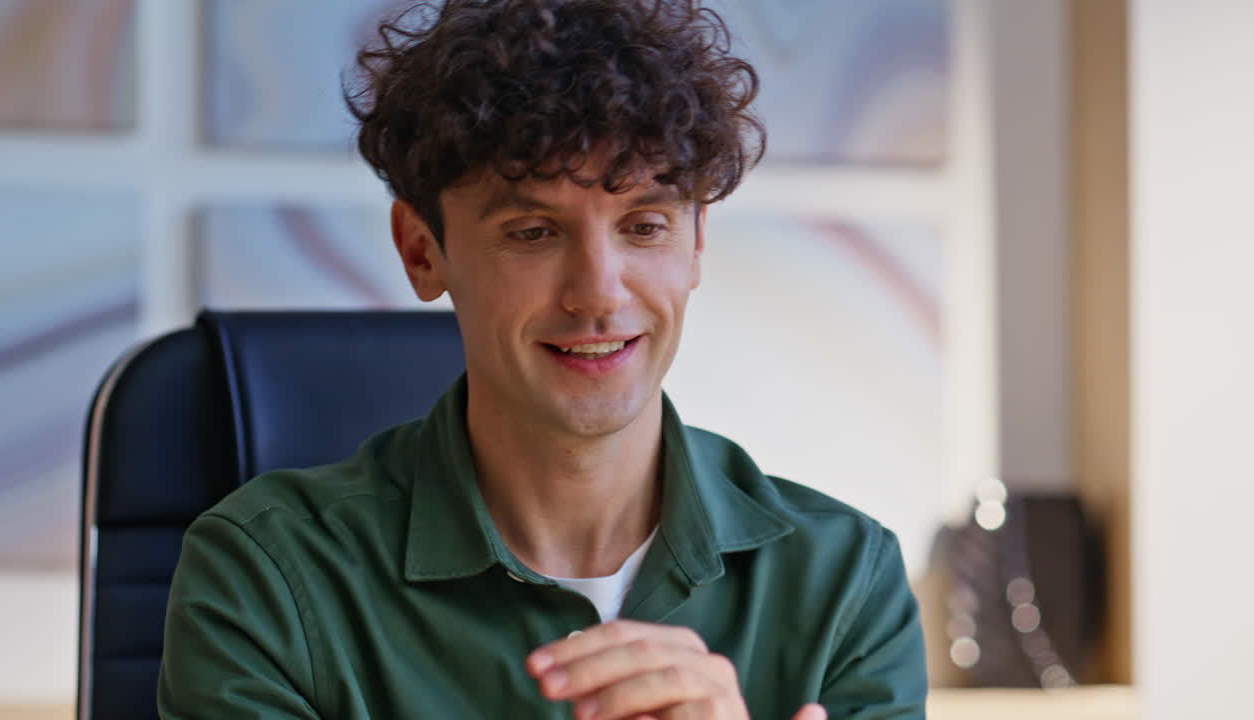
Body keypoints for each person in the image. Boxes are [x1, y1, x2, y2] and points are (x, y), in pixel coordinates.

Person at [157, 1, 928, 718]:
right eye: (533, 232)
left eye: (645, 225)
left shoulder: (845, 585)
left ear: (697, 243)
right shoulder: (266, 576)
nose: (597, 294)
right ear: (423, 252)